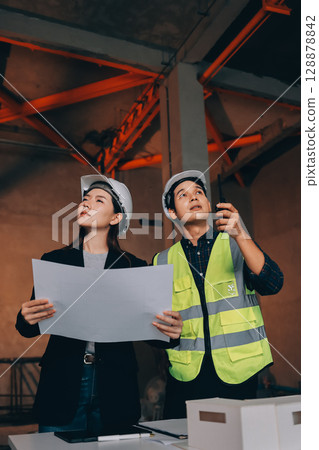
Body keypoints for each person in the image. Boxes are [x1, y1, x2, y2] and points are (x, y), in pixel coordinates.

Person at [16, 174, 182, 434]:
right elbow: (30, 327)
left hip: (115, 385)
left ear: (115, 218)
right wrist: (25, 317)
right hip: (63, 382)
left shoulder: (133, 267)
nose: (86, 204)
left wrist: (172, 333)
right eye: (84, 199)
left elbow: (155, 334)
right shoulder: (55, 261)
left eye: (98, 200)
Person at [153, 170, 284, 419]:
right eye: (183, 195)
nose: (193, 197)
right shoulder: (161, 261)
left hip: (240, 374)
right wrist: (167, 333)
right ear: (172, 213)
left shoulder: (238, 244)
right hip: (186, 377)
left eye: (198, 192)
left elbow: (273, 283)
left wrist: (241, 235)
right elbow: (154, 330)